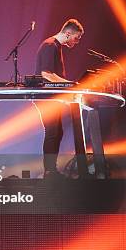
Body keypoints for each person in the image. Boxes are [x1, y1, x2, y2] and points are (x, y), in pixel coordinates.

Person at [34, 18, 84, 177]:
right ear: (68, 33)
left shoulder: (56, 46)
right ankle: (49, 171)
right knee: (52, 132)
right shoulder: (50, 45)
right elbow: (46, 74)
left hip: (52, 98)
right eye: (77, 38)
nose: (77, 42)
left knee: (57, 132)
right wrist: (71, 84)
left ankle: (51, 169)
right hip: (45, 98)